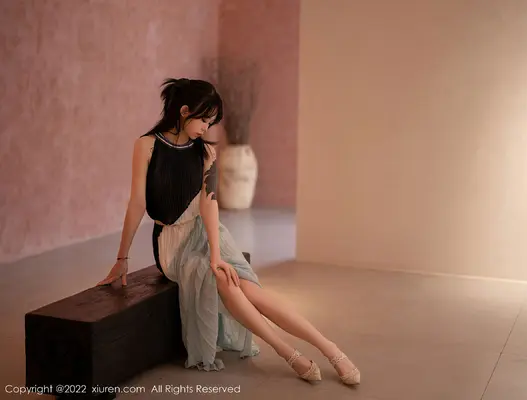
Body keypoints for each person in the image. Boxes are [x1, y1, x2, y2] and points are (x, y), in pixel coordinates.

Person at [96, 78, 360, 385]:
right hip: (173, 245)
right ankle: (287, 351)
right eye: (204, 120)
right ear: (184, 111)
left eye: (211, 122)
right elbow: (137, 203)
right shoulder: (147, 145)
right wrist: (122, 258)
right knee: (226, 281)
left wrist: (215, 255)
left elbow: (209, 204)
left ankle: (330, 348)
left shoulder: (205, 151)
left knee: (249, 289)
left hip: (208, 234)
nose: (207, 128)